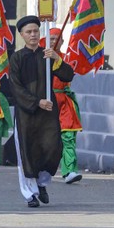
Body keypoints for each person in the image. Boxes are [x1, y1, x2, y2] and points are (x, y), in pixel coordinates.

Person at [9, 15, 74, 208]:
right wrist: (37, 102)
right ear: (22, 35)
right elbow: (15, 87)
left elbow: (68, 75)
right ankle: (30, 194)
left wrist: (57, 59)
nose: (33, 35)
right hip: (27, 113)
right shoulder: (17, 58)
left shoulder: (47, 56)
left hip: (48, 113)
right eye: (29, 32)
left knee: (52, 149)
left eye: (36, 31)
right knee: (27, 153)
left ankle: (42, 183)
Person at [48, 28, 82, 184]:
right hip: (48, 102)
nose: (54, 41)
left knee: (68, 137)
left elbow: (69, 74)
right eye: (52, 38)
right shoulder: (40, 58)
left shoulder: (68, 58)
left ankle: (70, 171)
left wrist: (57, 60)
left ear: (62, 41)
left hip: (65, 101)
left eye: (57, 38)